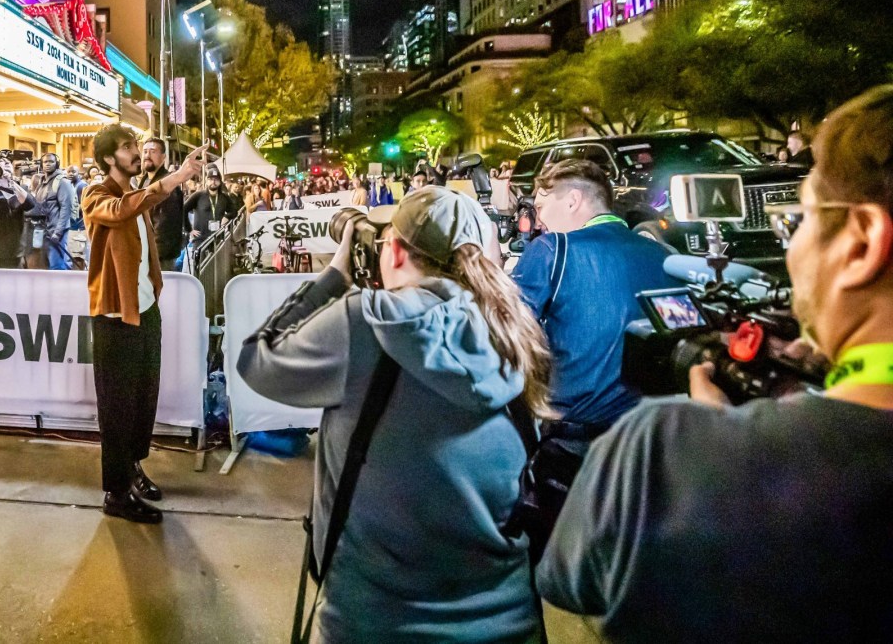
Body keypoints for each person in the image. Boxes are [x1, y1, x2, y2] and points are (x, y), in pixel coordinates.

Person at [539, 86, 893, 643]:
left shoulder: (663, 452)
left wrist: (715, 441)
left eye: (795, 221)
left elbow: (567, 580)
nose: (791, 248)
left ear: (861, 244)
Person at [239, 188, 550, 643]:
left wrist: (333, 277)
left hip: (374, 620)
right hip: (508, 616)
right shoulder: (512, 327)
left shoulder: (368, 323)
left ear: (397, 251)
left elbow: (257, 360)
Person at [508, 159, 676, 557]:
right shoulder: (662, 254)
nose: (539, 218)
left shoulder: (553, 248)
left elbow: (505, 333)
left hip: (574, 445)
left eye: (542, 204)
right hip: (652, 438)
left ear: (574, 201)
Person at [82, 125, 208, 524]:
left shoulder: (135, 196)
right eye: (127, 148)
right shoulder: (96, 195)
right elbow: (122, 211)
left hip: (145, 308)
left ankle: (132, 468)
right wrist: (177, 178)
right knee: (117, 407)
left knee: (142, 400)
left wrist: (153, 289)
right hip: (115, 315)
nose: (136, 153)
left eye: (136, 146)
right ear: (107, 159)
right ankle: (115, 493)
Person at [140, 139, 187, 272]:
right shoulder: (144, 181)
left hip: (159, 257)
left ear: (163, 157)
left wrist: (153, 255)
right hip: (144, 252)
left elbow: (165, 226)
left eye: (153, 151)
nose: (147, 155)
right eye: (145, 151)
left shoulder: (168, 183)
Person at [24, 153, 76, 270]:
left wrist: (58, 232)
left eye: (51, 162)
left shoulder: (62, 182)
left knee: (56, 266)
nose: (48, 164)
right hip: (43, 231)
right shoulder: (42, 182)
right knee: (44, 265)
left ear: (56, 164)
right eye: (45, 162)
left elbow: (65, 209)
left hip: (55, 231)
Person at [185, 168, 238, 241]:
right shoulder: (198, 195)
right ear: (206, 181)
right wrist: (189, 230)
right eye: (210, 179)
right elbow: (183, 209)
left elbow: (234, 211)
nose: (213, 182)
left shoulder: (224, 197)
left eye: (216, 179)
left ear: (220, 182)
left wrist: (227, 216)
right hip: (200, 240)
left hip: (218, 238)